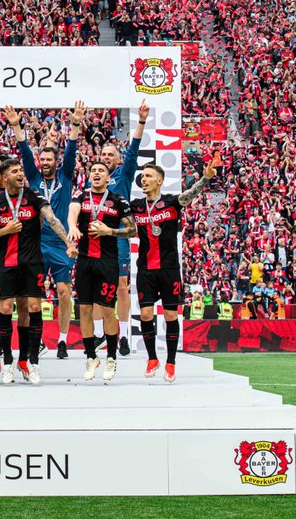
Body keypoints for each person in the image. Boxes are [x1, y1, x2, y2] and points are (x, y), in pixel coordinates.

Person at [0, 155, 74, 386]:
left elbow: (52, 220)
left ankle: (30, 361)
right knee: (5, 307)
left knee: (31, 307)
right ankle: (7, 363)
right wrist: (5, 231)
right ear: (4, 178)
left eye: (21, 170)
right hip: (7, 263)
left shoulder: (34, 197)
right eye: (14, 172)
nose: (20, 174)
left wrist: (68, 243)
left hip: (32, 262)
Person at [8, 101, 85, 360]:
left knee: (64, 292)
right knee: (32, 295)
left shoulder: (65, 176)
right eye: (44, 159)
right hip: (37, 243)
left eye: (51, 159)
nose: (46, 162)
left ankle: (62, 341)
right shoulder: (33, 175)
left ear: (56, 162)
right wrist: (17, 126)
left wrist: (75, 123)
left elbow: (72, 148)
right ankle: (35, 341)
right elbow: (24, 151)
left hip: (61, 243)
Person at [131, 156, 216, 384]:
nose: (144, 179)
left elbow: (191, 194)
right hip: (145, 268)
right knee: (146, 314)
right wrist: (109, 231)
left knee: (170, 315)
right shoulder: (136, 206)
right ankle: (152, 358)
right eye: (143, 176)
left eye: (148, 176)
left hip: (168, 268)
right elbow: (129, 231)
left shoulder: (171, 202)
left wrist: (205, 179)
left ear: (159, 180)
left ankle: (170, 362)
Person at [67, 161, 136, 382]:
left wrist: (110, 230)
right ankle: (90, 357)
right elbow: (72, 211)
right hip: (85, 261)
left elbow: (132, 229)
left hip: (107, 262)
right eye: (93, 171)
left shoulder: (118, 201)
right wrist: (72, 226)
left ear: (108, 179)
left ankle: (111, 357)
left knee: (107, 310)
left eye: (101, 171)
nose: (96, 173)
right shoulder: (81, 196)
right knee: (85, 310)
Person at [102, 100, 148, 356]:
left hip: (119, 237)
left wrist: (140, 121)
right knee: (98, 287)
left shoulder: (124, 174)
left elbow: (134, 150)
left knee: (121, 285)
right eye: (104, 155)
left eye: (111, 155)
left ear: (117, 159)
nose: (106, 158)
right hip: (97, 239)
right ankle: (103, 334)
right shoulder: (94, 177)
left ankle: (124, 334)